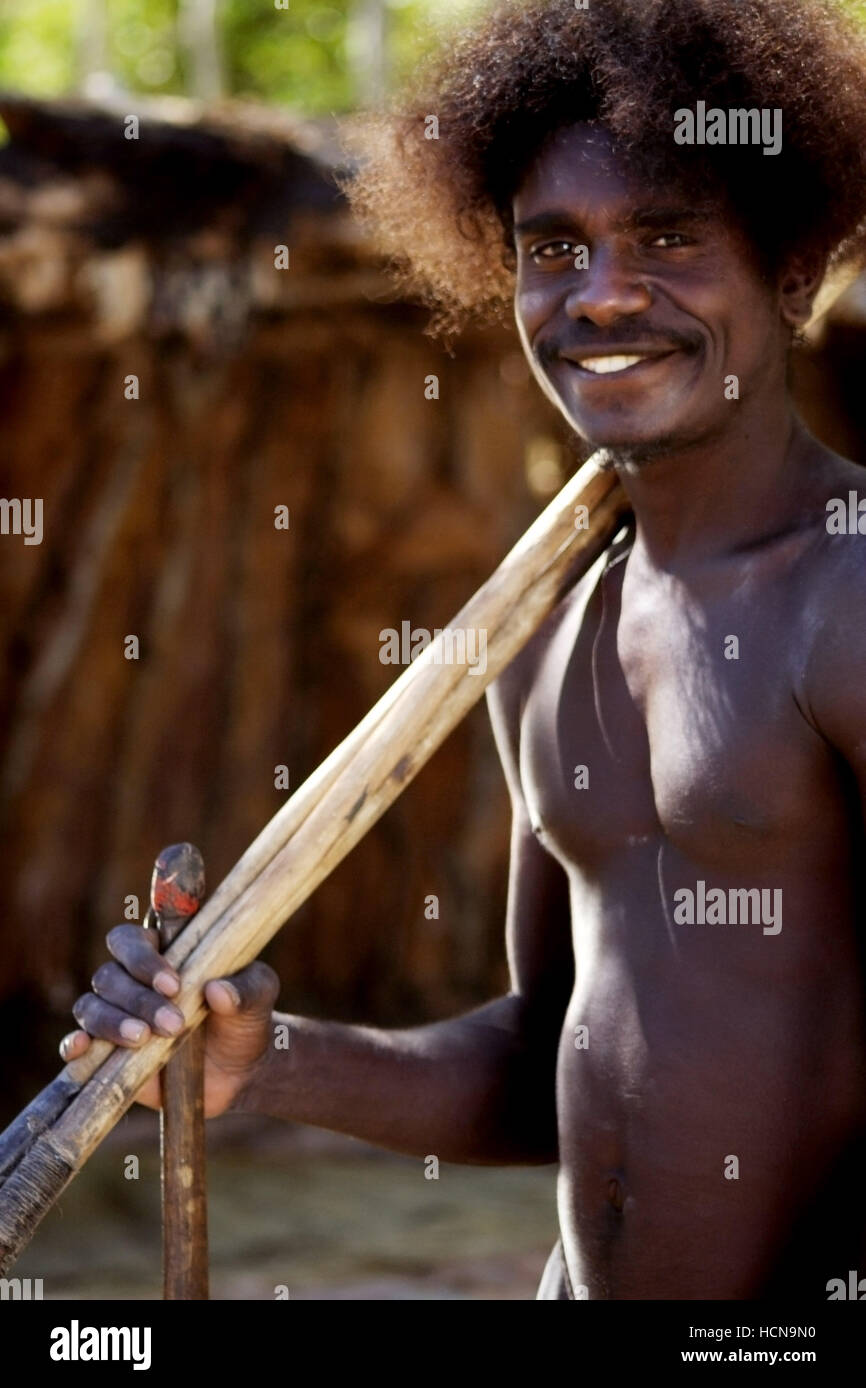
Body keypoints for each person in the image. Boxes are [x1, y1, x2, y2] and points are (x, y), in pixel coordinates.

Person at [60, 0, 866, 1298]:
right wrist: (260, 1060)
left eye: (666, 237)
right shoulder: (542, 631)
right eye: (555, 248)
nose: (602, 292)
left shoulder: (850, 590)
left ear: (789, 270)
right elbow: (542, 1059)